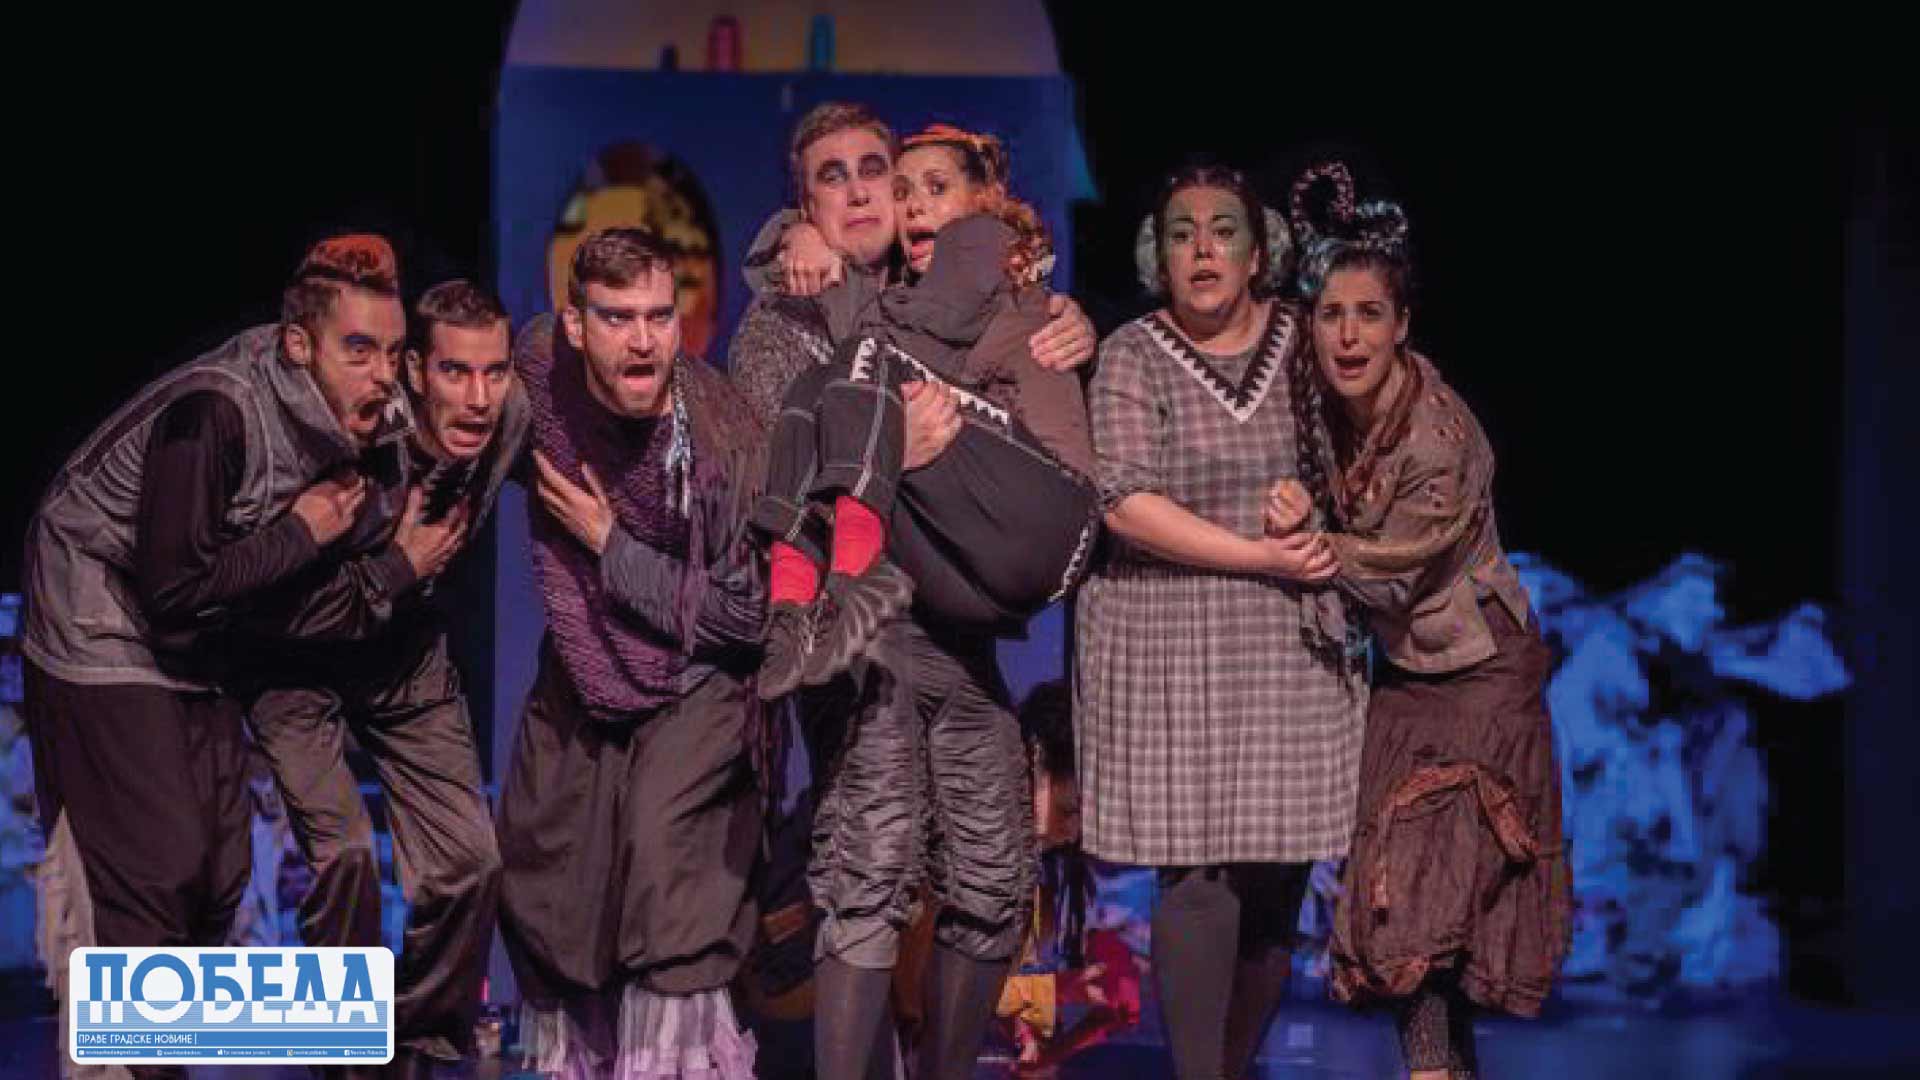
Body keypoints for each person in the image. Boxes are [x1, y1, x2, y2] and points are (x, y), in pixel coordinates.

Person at [19, 235, 405, 1079]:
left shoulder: (371, 415)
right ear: (298, 345)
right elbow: (171, 590)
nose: (383, 375)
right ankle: (114, 1061)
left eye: (393, 352)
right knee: (159, 859)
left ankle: (176, 1050)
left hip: (204, 634)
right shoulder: (214, 413)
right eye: (359, 350)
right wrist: (301, 532)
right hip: (100, 614)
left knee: (224, 867)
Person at [1275, 162, 1571, 1079]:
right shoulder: (1328, 404)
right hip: (1408, 679)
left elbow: (1393, 576)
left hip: (1480, 677)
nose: (1348, 334)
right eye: (1332, 314)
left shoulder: (1438, 438)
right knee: (1406, 911)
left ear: (1402, 325)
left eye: (1369, 314)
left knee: (1434, 905)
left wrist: (1304, 531)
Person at [1075, 164, 1368, 1080]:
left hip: (1286, 641)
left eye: (1224, 229)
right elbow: (1124, 501)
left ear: (1258, 250)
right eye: (1181, 232)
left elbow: (1364, 460)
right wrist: (1257, 553)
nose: (1203, 248)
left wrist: (1315, 509)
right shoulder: (1132, 353)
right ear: (1157, 258)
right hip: (1170, 634)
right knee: (1196, 872)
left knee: (1277, 878)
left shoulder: (1306, 339)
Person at [230, 279, 524, 1074]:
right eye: (456, 372)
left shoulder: (508, 415)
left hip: (402, 659)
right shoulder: (349, 435)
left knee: (470, 864)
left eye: (495, 372)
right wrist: (397, 567)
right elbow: (274, 601)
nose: (479, 398)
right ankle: (346, 1051)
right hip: (294, 661)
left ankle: (415, 1045)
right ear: (416, 372)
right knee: (346, 856)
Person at [497, 227, 767, 1078]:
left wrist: (611, 544)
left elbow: (746, 615)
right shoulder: (539, 367)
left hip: (700, 674)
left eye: (660, 316)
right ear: (576, 326)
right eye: (618, 318)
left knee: (663, 875)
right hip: (586, 660)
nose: (644, 340)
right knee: (543, 870)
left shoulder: (720, 441)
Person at [751, 123, 1100, 698]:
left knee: (865, 359)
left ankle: (851, 577)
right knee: (813, 385)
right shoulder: (919, 286)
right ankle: (792, 610)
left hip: (1056, 512)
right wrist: (799, 235)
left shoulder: (977, 240)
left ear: (982, 199)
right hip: (983, 571)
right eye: (903, 192)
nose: (914, 206)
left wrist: (814, 250)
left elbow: (890, 344)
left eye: (937, 189)